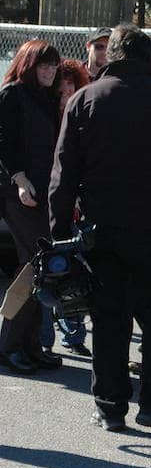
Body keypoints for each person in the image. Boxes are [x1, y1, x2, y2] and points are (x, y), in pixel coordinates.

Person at [48, 23, 151, 434]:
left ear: (112, 54)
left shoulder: (85, 98)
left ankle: (110, 407)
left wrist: (59, 233)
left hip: (103, 229)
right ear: (149, 59)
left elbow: (64, 175)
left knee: (110, 319)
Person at [0, 40, 63, 375]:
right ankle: (8, 345)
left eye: (53, 66)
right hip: (19, 194)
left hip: (43, 195)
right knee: (33, 268)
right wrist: (21, 180)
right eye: (43, 65)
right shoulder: (13, 94)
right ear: (28, 64)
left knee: (44, 269)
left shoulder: (47, 97)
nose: (50, 71)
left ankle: (30, 345)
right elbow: (4, 143)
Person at [39, 59, 92, 358]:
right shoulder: (45, 118)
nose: (65, 97)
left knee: (74, 274)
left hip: (75, 207)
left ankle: (73, 335)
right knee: (50, 274)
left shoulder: (82, 117)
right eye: (60, 92)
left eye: (70, 90)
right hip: (50, 206)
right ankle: (46, 338)